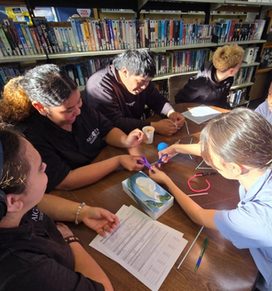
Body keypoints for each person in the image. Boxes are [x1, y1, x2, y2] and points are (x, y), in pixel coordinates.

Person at [152, 108, 272, 291]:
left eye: (212, 160)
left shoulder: (259, 217)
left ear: (233, 168)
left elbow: (199, 215)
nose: (208, 159)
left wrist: (166, 180)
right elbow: (218, 152)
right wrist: (177, 148)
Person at [0, 128, 116, 291]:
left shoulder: (9, 206)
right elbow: (103, 288)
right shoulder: (23, 269)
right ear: (13, 202)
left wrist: (82, 212)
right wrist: (71, 240)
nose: (46, 166)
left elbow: (38, 202)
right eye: (40, 168)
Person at [0, 65, 146, 193]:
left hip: (104, 175)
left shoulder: (77, 107)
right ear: (41, 108)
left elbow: (107, 130)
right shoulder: (32, 136)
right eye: (68, 109)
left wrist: (125, 141)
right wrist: (118, 161)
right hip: (78, 191)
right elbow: (65, 181)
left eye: (79, 101)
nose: (78, 111)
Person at [84, 49, 185, 136]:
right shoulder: (99, 86)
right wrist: (154, 127)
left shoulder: (142, 78)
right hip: (109, 140)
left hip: (134, 134)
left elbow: (156, 99)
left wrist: (171, 112)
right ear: (124, 72)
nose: (145, 86)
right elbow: (115, 123)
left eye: (148, 81)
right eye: (142, 81)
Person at [174, 44, 244, 108]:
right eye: (240, 65)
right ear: (231, 71)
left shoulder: (229, 79)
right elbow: (179, 100)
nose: (240, 66)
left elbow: (222, 101)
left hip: (215, 112)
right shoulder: (199, 84)